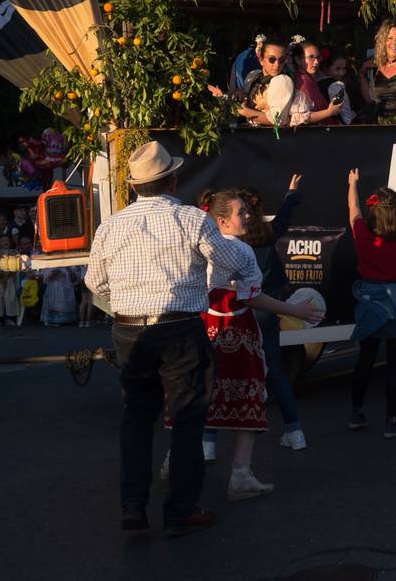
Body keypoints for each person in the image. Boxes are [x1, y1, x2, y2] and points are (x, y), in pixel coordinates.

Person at [85, 140, 263, 536]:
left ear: (135, 186)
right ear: (173, 180)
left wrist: (129, 300)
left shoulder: (111, 225)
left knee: (136, 417)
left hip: (130, 327)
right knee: (186, 420)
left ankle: (133, 504)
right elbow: (234, 260)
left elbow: (94, 282)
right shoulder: (190, 220)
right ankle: (180, 510)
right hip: (179, 326)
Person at [188, 190, 323, 501]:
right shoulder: (240, 252)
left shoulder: (199, 247)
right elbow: (252, 297)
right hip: (236, 325)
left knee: (204, 390)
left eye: (246, 211)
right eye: (240, 213)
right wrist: (296, 310)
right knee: (248, 391)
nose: (246, 216)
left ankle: (197, 451)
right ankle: (241, 472)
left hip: (207, 325)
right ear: (222, 220)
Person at [236, 176, 310, 452]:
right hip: (268, 306)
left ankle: (208, 440)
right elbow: (285, 215)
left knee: (228, 370)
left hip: (242, 308)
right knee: (275, 369)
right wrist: (292, 192)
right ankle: (295, 430)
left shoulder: (233, 241)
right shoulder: (268, 232)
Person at [345, 169, 396, 439]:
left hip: (369, 299)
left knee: (365, 359)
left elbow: (353, 208)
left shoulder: (362, 231)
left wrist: (353, 183)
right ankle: (392, 421)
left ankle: (356, 412)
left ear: (374, 210)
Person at [207, 36, 307, 127]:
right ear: (261, 59)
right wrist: (231, 95)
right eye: (272, 59)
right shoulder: (254, 75)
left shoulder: (282, 81)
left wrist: (245, 112)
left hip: (270, 139)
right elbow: (244, 101)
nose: (277, 65)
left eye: (282, 60)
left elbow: (278, 120)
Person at [289, 38, 344, 124]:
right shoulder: (302, 82)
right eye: (311, 57)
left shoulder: (308, 79)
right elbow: (300, 118)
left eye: (318, 57)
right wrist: (329, 112)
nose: (316, 62)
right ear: (298, 59)